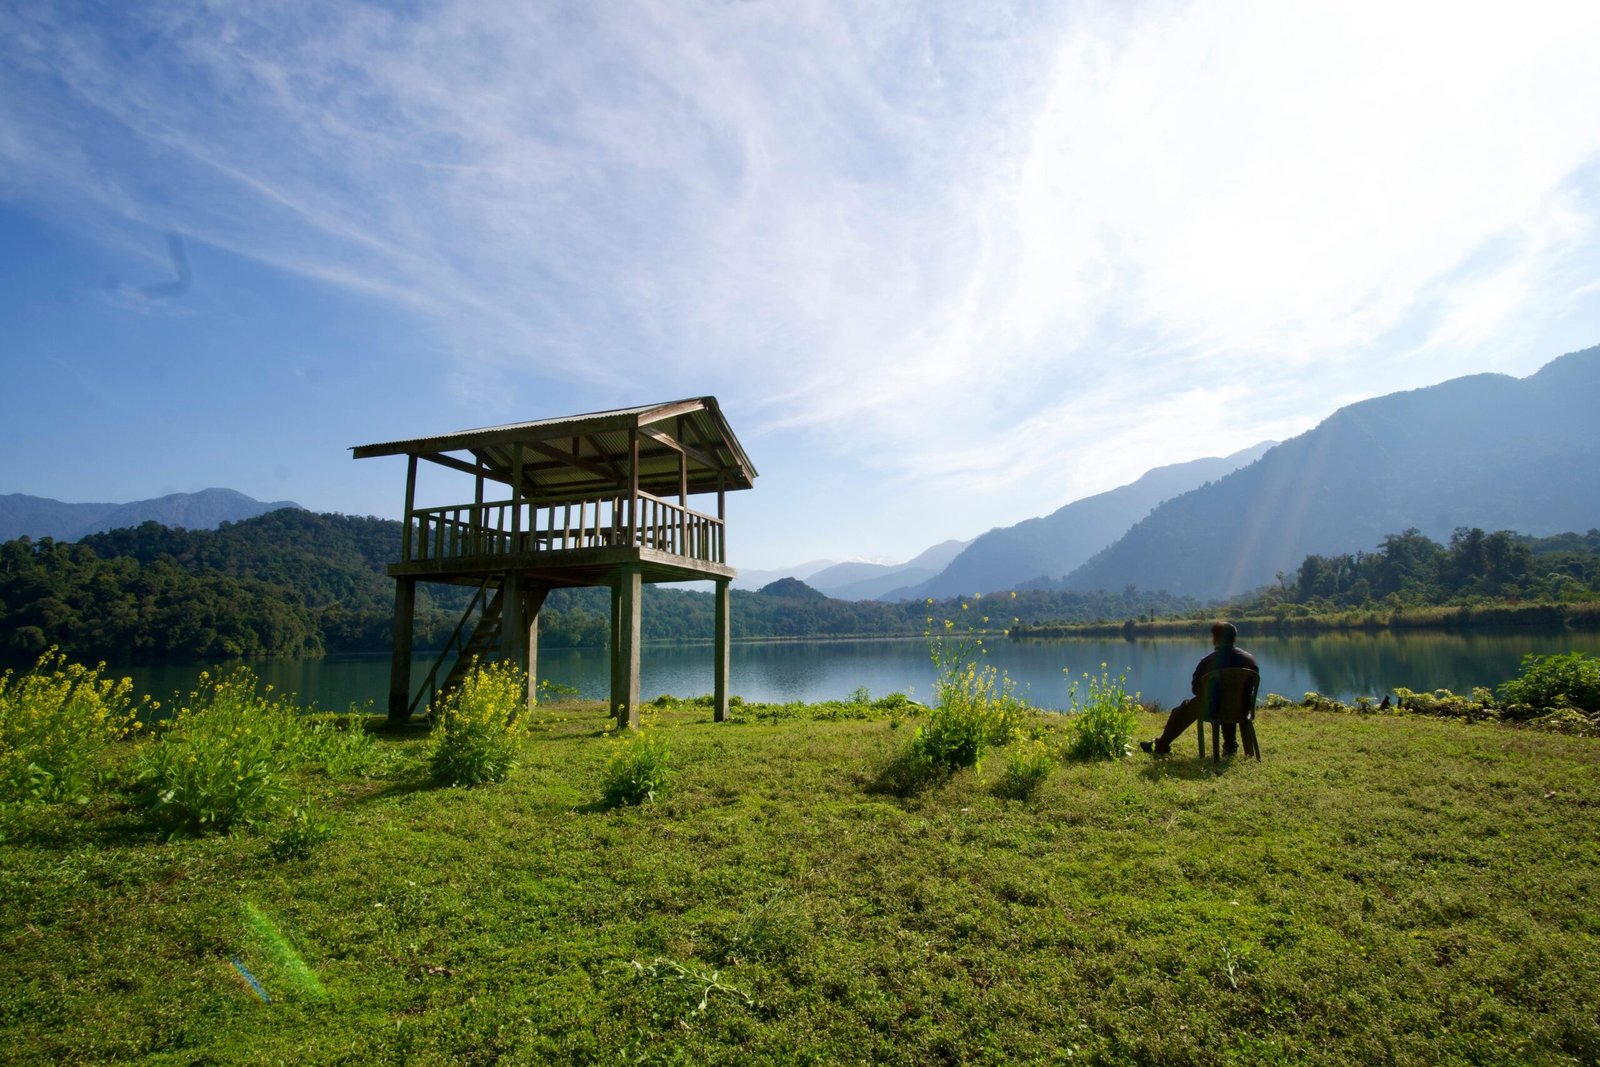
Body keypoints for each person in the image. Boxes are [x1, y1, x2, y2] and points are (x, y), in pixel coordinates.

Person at [1139, 621, 1259, 755]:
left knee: (1185, 709)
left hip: (1216, 710)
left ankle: (1161, 746)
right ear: (1234, 638)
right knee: (1228, 700)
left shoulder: (1208, 662)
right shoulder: (1250, 660)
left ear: (1215, 639)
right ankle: (1230, 746)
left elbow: (1196, 689)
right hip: (1243, 708)